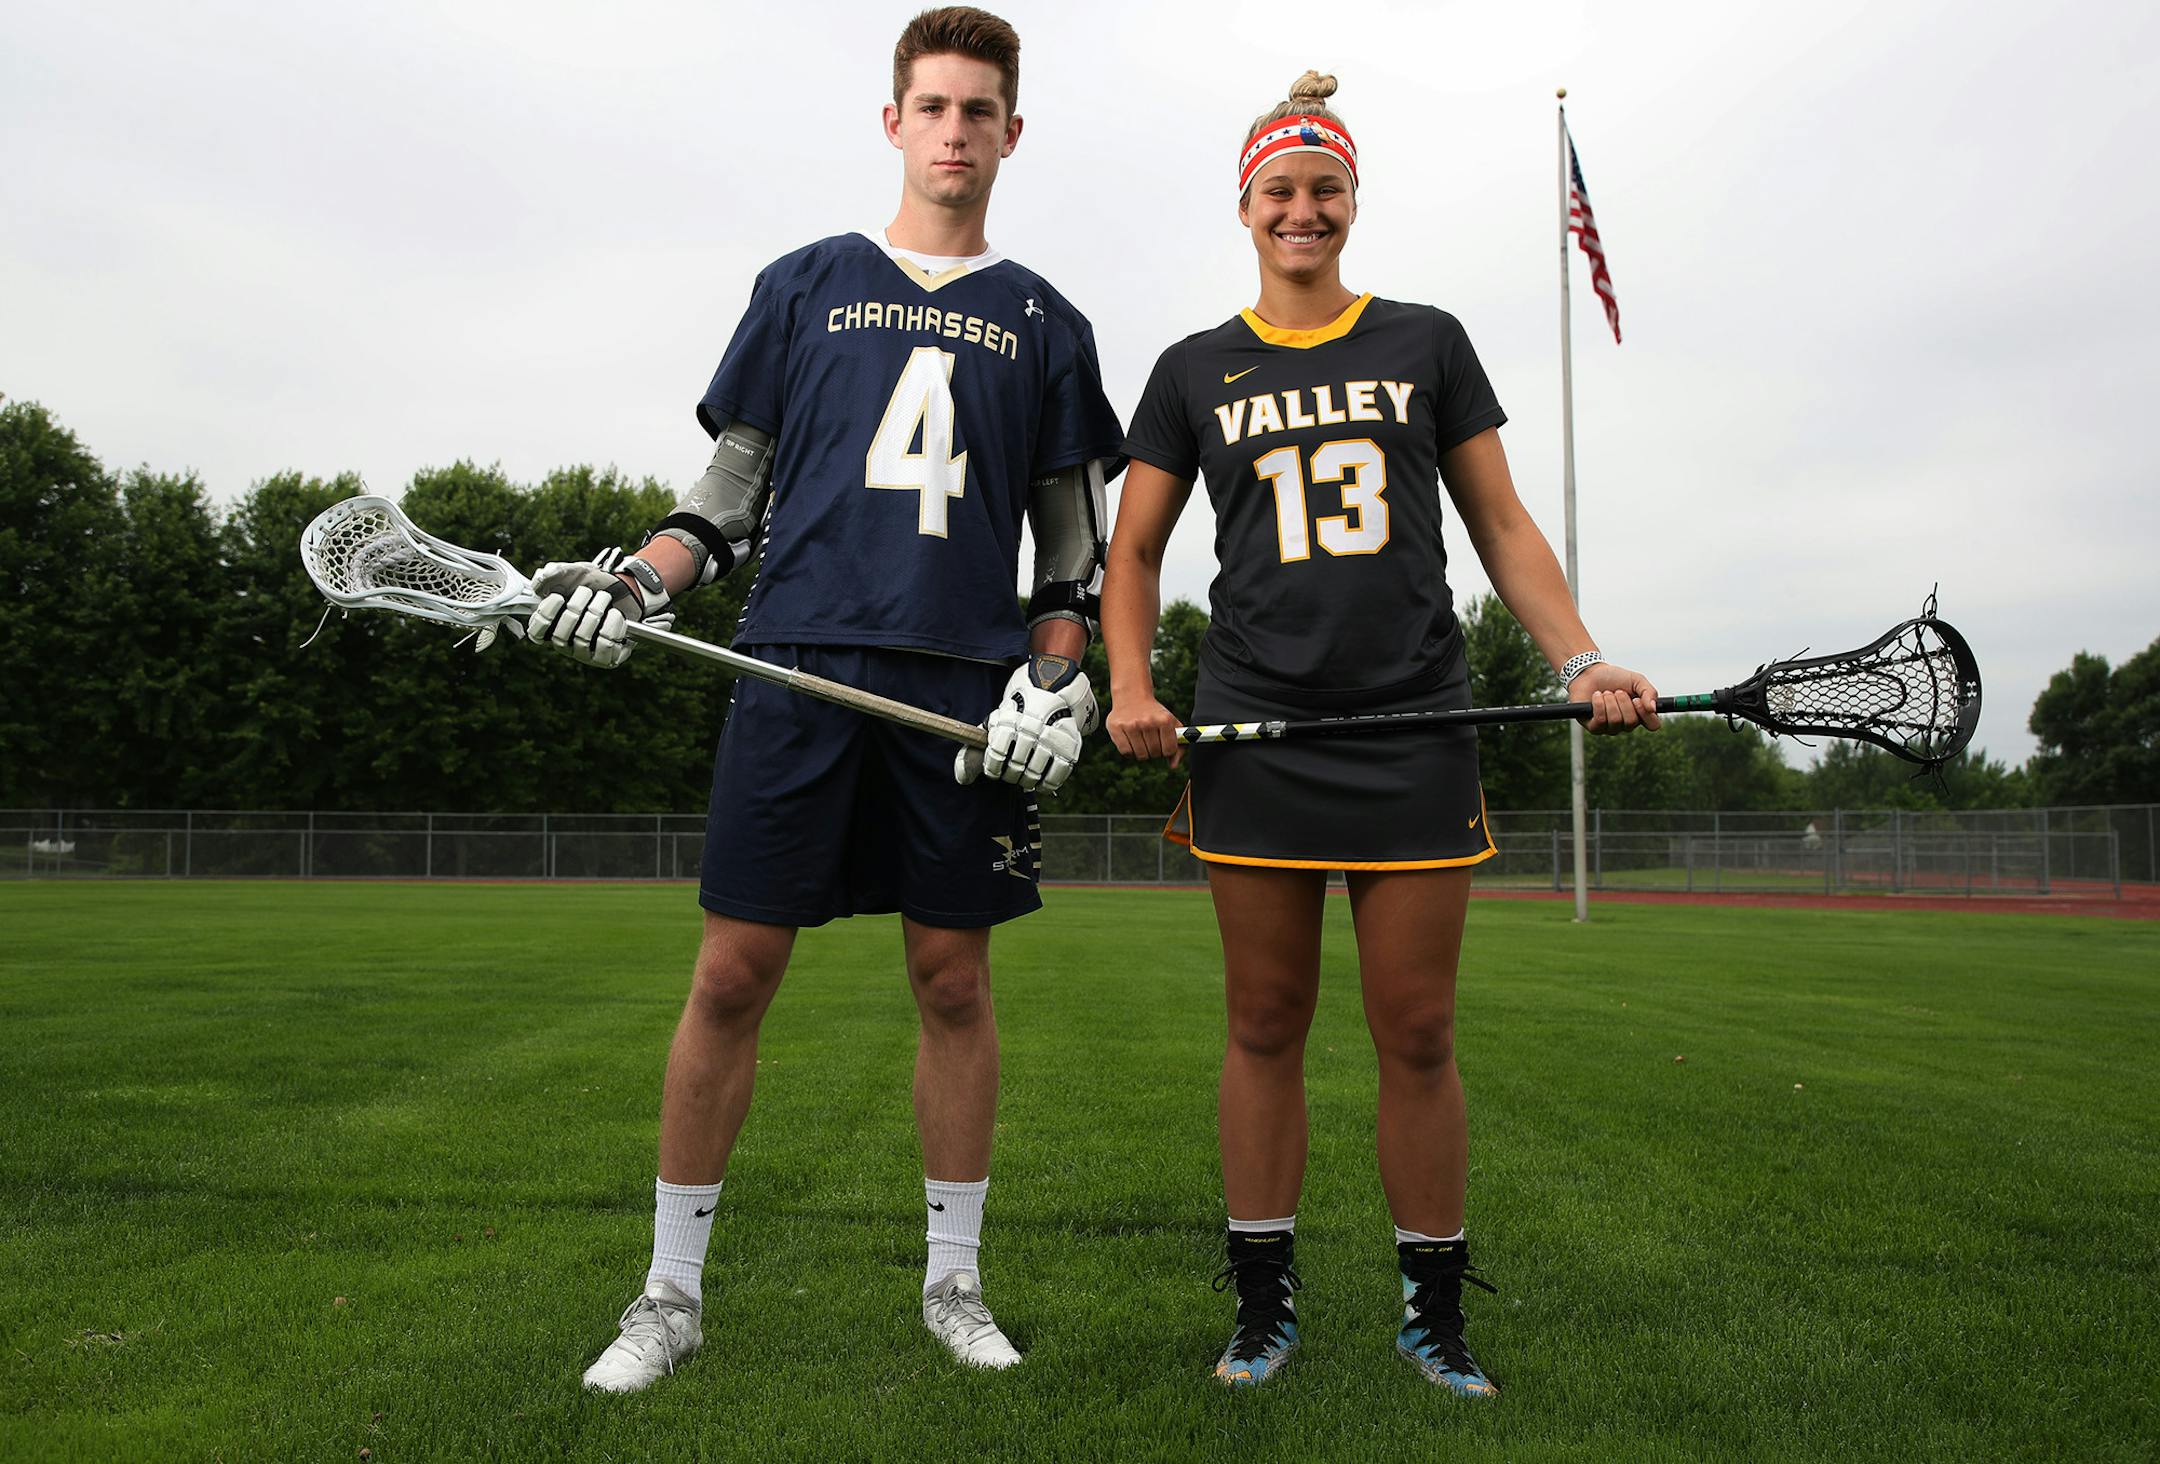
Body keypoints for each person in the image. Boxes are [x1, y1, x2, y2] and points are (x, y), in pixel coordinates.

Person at [525, 7, 1123, 1391]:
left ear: (1011, 133)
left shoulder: (1046, 321)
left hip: (961, 695)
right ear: (894, 120)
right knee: (732, 973)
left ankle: (954, 1284)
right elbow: (722, 502)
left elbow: (1070, 553)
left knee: (951, 979)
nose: (957, 131)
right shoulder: (805, 283)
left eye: (982, 110)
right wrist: (639, 584)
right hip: (795, 662)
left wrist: (1059, 672)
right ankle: (669, 1295)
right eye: (935, 106)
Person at [1101, 71, 1659, 1396]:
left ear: (1354, 201)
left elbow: (1504, 529)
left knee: (1416, 1029)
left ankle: (1433, 1310)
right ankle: (1260, 1305)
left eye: (1325, 189)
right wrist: (1132, 683)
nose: (1304, 210)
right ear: (1245, 206)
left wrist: (1580, 655)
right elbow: (1133, 551)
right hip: (1257, 734)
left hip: (1417, 722)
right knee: (1266, 1020)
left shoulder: (1425, 341)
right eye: (1281, 192)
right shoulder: (1193, 368)